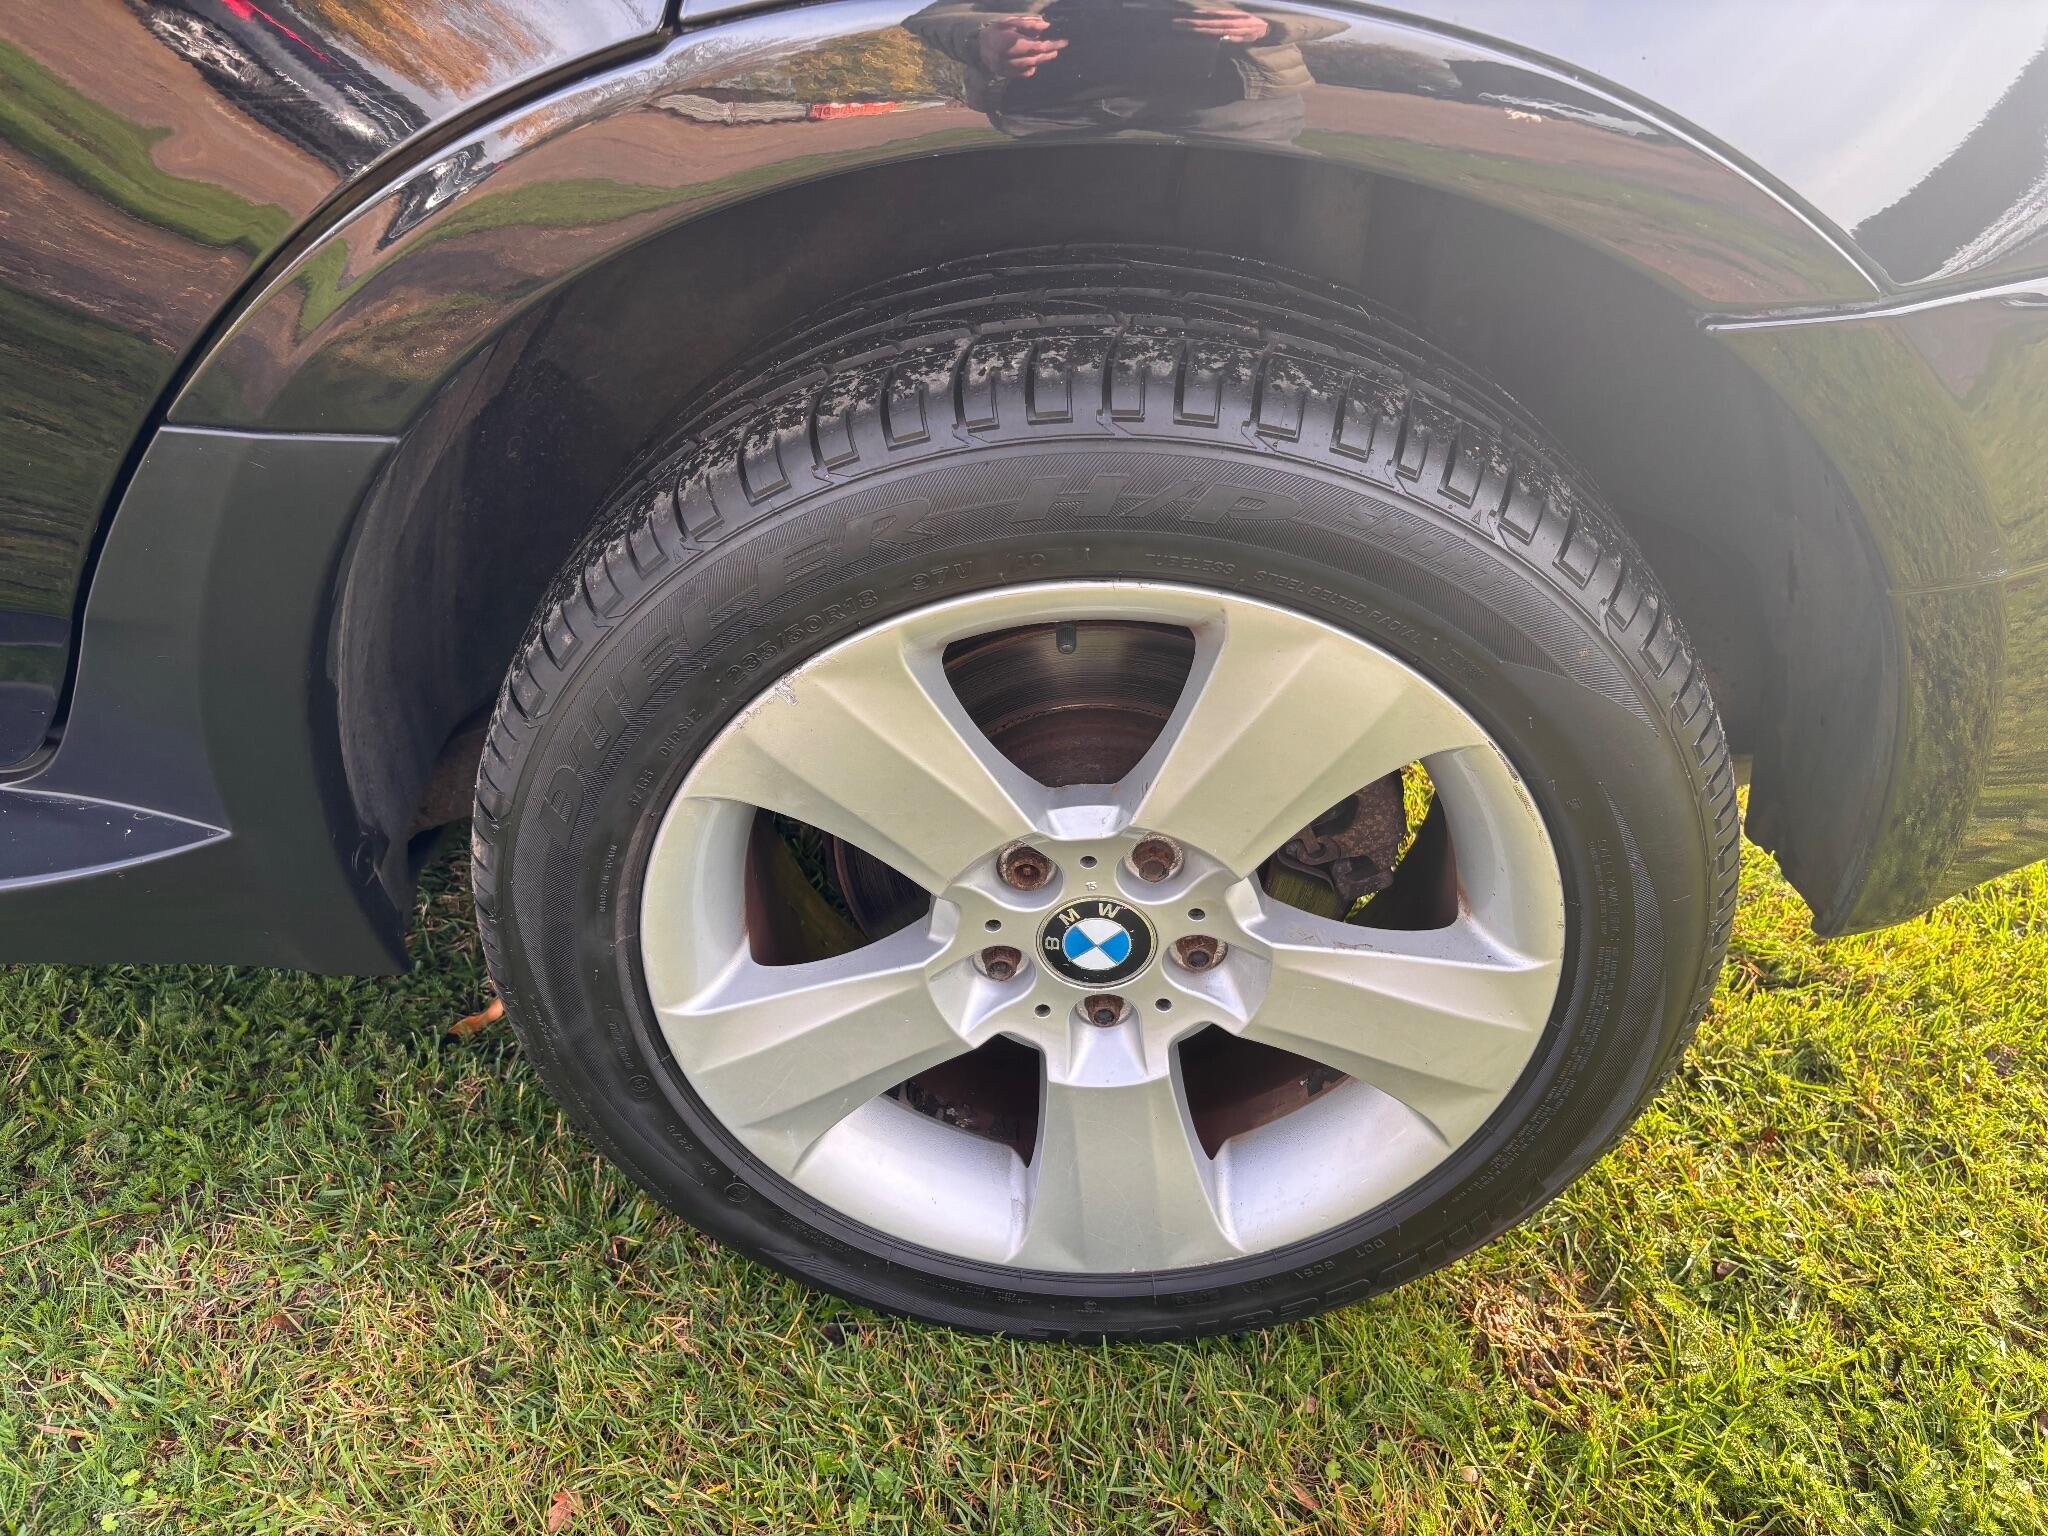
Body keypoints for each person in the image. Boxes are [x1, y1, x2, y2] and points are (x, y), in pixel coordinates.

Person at [906, 0, 1341, 144]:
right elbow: (927, 11)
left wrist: (1270, 24)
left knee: (1258, 233)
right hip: (1050, 107)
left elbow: (1340, 10)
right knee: (1041, 249)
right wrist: (979, 38)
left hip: (1235, 103)